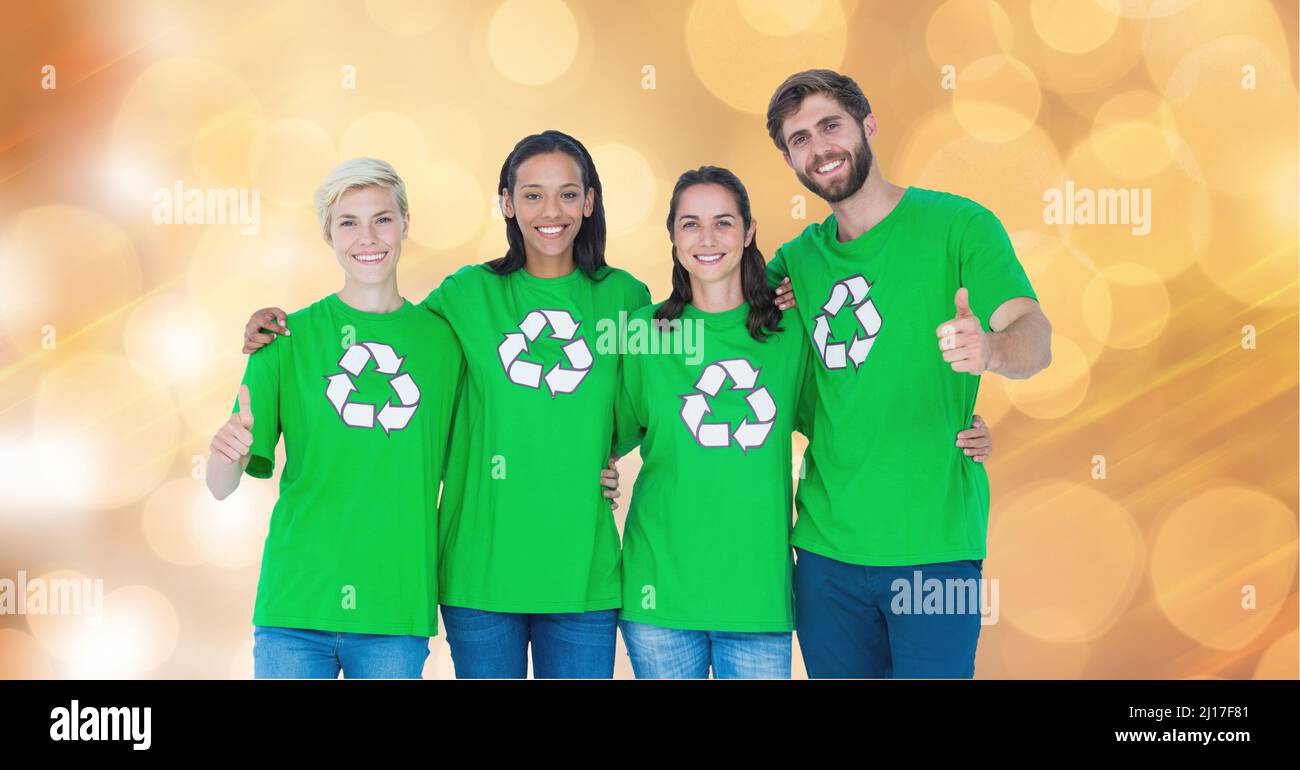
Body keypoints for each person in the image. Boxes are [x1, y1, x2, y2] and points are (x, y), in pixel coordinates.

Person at [240, 131, 635, 678]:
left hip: (582, 571)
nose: (551, 210)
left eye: (568, 194)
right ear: (506, 202)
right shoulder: (466, 294)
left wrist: (602, 459)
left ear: (590, 201)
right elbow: (391, 333)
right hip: (479, 571)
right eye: (532, 194)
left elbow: (653, 395)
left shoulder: (625, 298)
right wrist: (275, 330)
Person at [613, 166, 994, 678]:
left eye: (724, 222)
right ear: (672, 236)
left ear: (749, 233)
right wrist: (595, 465)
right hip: (658, 590)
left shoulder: (791, 331)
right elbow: (602, 429)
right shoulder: (644, 334)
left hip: (758, 599)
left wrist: (955, 423)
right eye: (690, 224)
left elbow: (849, 406)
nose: (707, 238)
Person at [765, 69, 1051, 678]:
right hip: (824, 555)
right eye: (799, 140)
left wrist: (993, 351)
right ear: (790, 159)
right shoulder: (793, 264)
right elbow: (721, 345)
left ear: (867, 126)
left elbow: (1034, 332)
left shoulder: (958, 227)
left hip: (935, 548)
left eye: (830, 126)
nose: (819, 148)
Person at [206, 157, 464, 678]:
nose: (367, 237)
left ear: (406, 223)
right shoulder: (283, 342)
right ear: (329, 234)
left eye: (382, 219)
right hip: (296, 606)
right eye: (348, 222)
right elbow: (220, 488)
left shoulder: (446, 344)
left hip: (396, 607)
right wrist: (223, 453)